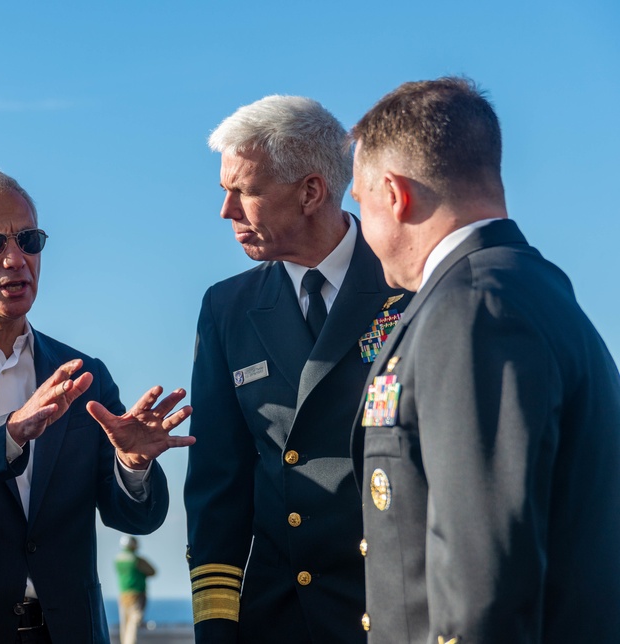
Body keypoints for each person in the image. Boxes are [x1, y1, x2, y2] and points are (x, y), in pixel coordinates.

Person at [350, 77, 620, 643]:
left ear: (395, 195)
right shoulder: (530, 286)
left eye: (361, 203)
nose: (363, 232)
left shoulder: (472, 306)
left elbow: (483, 580)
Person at [0, 166, 193, 644]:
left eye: (28, 240)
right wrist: (10, 433)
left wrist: (133, 466)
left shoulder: (85, 374)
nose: (15, 259)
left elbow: (137, 519)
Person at [184, 95, 408, 643]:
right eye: (224, 192)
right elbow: (219, 483)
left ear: (311, 191)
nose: (227, 211)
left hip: (387, 609)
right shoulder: (227, 308)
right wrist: (216, 626)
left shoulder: (406, 285)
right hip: (278, 617)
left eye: (245, 192)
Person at [114, 535, 156, 644]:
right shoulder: (137, 560)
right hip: (137, 593)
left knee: (125, 623)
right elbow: (152, 571)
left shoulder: (118, 560)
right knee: (134, 623)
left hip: (123, 593)